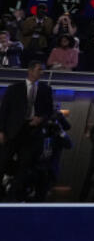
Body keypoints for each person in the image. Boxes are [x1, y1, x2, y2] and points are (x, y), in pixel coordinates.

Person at [0, 60, 54, 198]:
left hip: (32, 133)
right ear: (30, 71)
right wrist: (1, 131)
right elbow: (4, 111)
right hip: (13, 131)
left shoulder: (45, 89)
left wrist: (41, 119)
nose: (42, 72)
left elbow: (49, 111)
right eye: (39, 69)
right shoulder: (14, 88)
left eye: (43, 70)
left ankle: (12, 197)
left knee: (24, 166)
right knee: (3, 161)